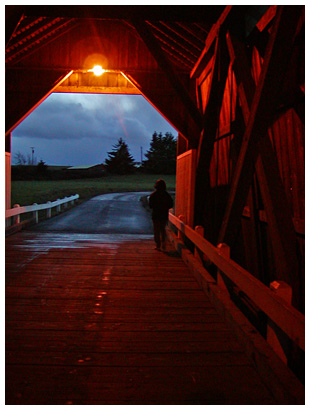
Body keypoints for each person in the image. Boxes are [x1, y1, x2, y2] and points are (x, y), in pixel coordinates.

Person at [148, 179, 173, 251]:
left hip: (156, 215)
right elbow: (170, 204)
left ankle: (158, 245)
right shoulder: (167, 195)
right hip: (164, 215)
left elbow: (150, 205)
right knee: (163, 230)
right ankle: (164, 244)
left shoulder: (153, 195)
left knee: (156, 231)